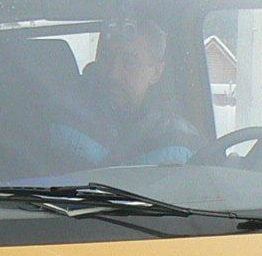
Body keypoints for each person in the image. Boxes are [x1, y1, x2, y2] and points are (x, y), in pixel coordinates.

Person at [63, 18, 202, 167]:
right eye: (107, 58)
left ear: (156, 72)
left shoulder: (184, 142)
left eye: (129, 61)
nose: (113, 73)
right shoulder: (64, 123)